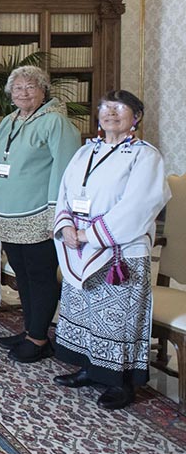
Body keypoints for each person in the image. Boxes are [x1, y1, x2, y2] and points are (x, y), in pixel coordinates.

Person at [52, 90, 169, 409]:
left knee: (118, 320)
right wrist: (65, 227)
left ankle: (121, 382)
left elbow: (139, 206)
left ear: (136, 117)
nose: (111, 113)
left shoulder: (146, 156)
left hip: (119, 252)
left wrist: (88, 234)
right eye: (105, 108)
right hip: (79, 245)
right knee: (88, 314)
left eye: (121, 108)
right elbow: (64, 192)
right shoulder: (84, 152)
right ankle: (91, 368)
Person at [0, 65, 80, 363]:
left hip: (38, 214)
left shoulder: (55, 123)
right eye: (18, 88)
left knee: (40, 276)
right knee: (21, 275)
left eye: (30, 87)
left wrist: (56, 215)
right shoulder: (9, 121)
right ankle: (29, 330)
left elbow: (65, 171)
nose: (23, 93)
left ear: (43, 91)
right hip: (7, 213)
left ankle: (39, 339)